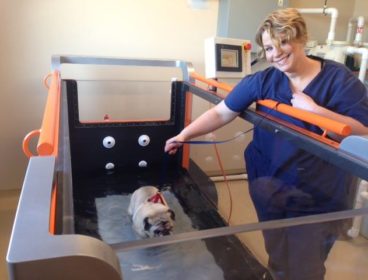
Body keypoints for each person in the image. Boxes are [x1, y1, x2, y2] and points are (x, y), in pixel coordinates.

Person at [164, 8, 368, 280]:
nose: (276, 53)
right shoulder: (264, 80)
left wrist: (316, 112)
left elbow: (362, 131)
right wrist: (183, 135)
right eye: (270, 47)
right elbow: (221, 112)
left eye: (284, 42)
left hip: (317, 194)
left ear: (301, 39)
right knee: (276, 249)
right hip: (268, 184)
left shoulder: (339, 80)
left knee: (306, 264)